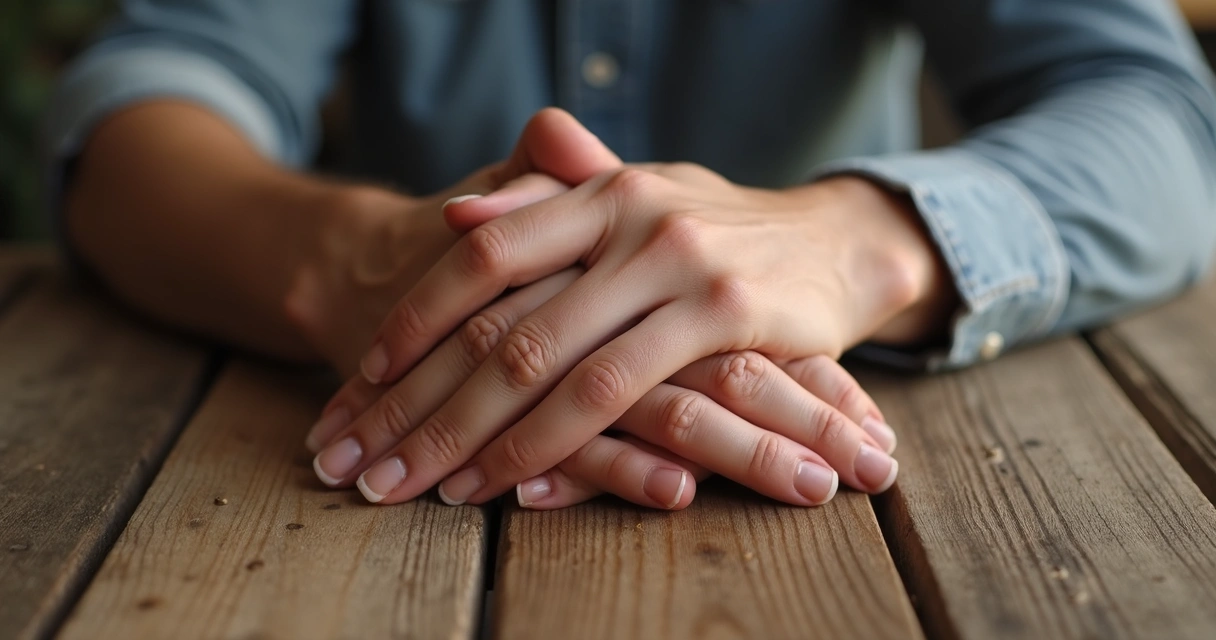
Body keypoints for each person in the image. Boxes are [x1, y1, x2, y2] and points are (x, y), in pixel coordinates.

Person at [46, 1, 1216, 511]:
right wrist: (360, 262)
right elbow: (147, 103)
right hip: (413, 394)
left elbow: (1158, 111)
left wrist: (859, 243)